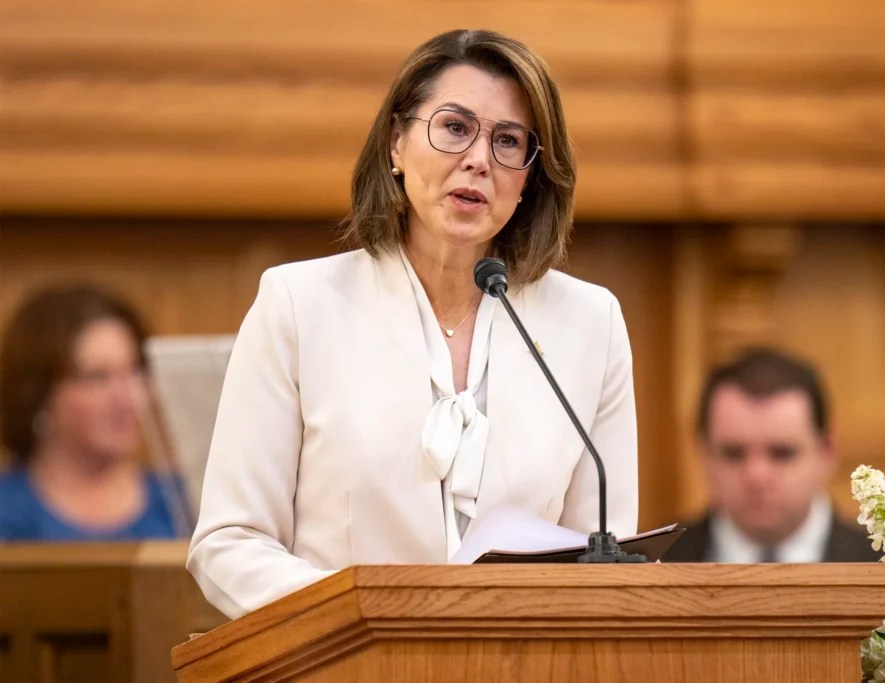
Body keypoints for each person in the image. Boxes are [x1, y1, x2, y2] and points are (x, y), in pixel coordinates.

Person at [187, 29, 639, 618]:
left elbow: (600, 559)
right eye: (454, 128)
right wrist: (373, 616)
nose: (479, 159)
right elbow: (229, 545)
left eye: (508, 141)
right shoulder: (299, 304)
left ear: (531, 178)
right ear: (396, 145)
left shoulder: (590, 323)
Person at [0, 285, 186, 541]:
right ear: (39, 393)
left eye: (135, 371)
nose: (125, 398)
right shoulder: (8, 512)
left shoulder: (184, 503)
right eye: (97, 377)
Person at [663, 348, 878, 564]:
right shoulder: (649, 569)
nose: (757, 476)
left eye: (782, 453)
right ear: (704, 453)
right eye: (734, 454)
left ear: (827, 451)